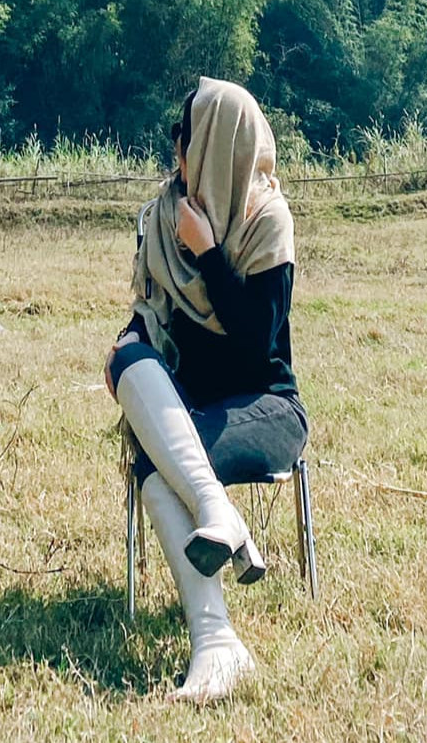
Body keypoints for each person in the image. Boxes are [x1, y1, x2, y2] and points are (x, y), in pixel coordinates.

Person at [106, 75, 307, 703]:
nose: (178, 155)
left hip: (266, 407)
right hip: (191, 407)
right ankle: (217, 518)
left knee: (159, 464)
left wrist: (211, 253)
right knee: (128, 358)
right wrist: (128, 344)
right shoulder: (165, 215)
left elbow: (253, 343)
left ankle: (216, 641)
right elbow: (150, 316)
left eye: (187, 141)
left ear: (220, 146)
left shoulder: (268, 222)